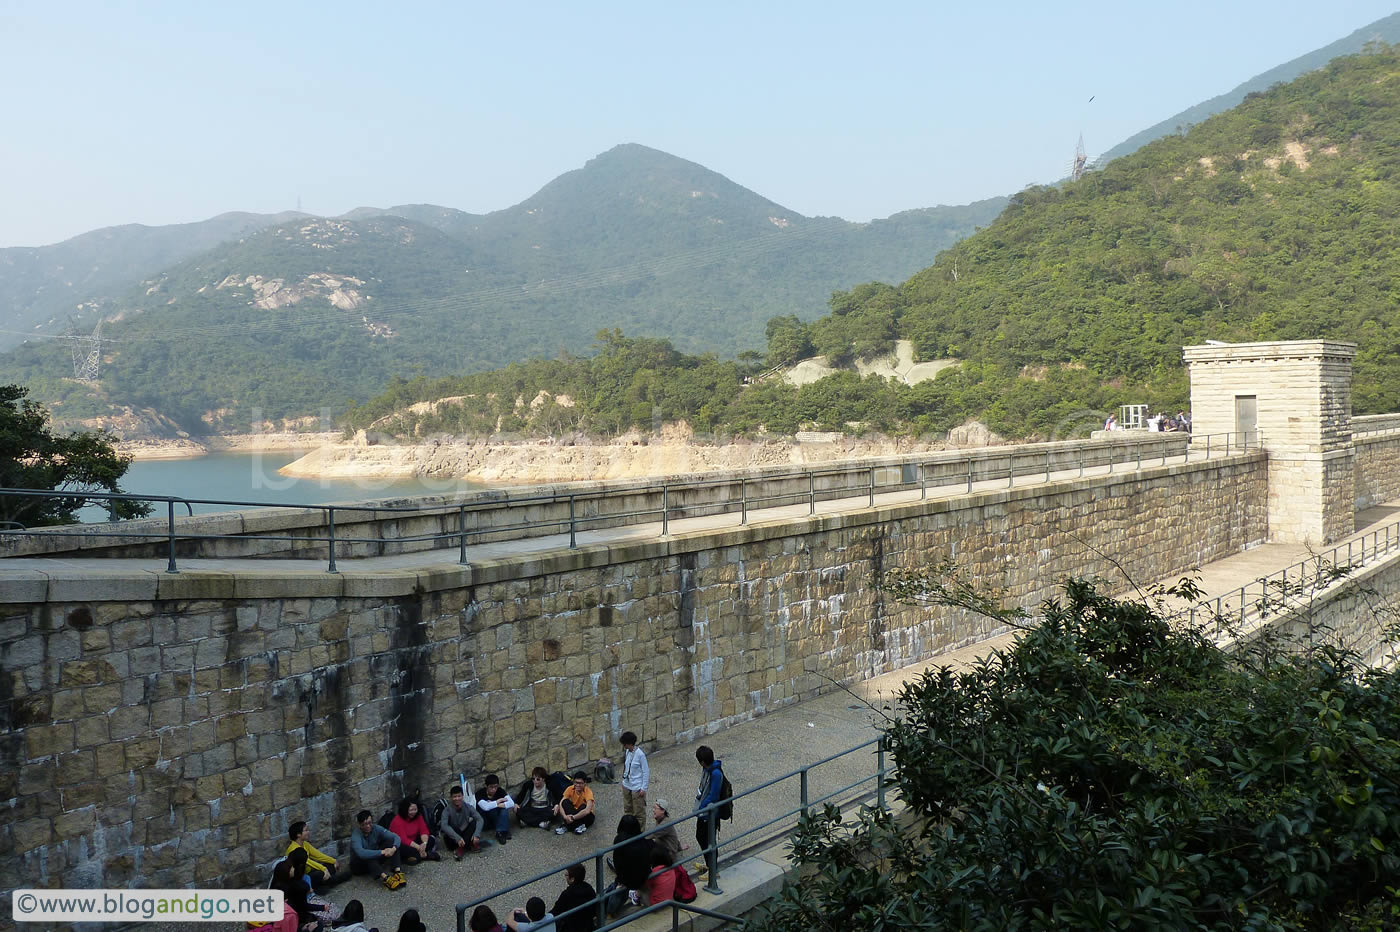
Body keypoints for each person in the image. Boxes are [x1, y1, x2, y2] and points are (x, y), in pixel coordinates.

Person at [607, 815, 654, 915]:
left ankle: (610, 911)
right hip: (643, 875)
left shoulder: (619, 841)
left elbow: (618, 863)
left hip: (627, 879)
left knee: (617, 888)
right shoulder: (642, 839)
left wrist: (620, 880)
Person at [349, 809, 406, 890]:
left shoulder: (376, 828)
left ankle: (397, 872)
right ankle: (385, 878)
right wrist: (382, 852)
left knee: (391, 843)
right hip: (359, 864)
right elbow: (361, 853)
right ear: (360, 824)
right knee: (368, 856)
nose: (368, 826)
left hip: (375, 857)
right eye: (364, 824)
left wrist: (393, 849)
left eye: (369, 823)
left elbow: (395, 837)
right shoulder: (356, 835)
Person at [271, 858, 329, 932]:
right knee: (319, 924)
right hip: (295, 916)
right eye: (291, 868)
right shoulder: (291, 889)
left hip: (294, 914)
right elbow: (303, 906)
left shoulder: (280, 883)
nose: (294, 869)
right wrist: (322, 907)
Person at [694, 745, 725, 879]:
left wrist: (701, 808)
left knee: (709, 840)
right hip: (704, 812)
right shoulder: (707, 769)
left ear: (702, 762)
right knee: (702, 837)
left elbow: (713, 795)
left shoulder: (716, 774)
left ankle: (713, 870)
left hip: (710, 813)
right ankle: (709, 864)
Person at [286, 820, 347, 889]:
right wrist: (324, 869)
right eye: (306, 830)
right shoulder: (293, 849)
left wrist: (333, 861)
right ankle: (330, 882)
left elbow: (318, 855)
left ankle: (326, 883)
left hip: (311, 871)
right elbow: (308, 862)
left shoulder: (305, 844)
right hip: (303, 877)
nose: (308, 832)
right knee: (320, 873)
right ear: (298, 834)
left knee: (330, 865)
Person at [389, 799, 439, 864]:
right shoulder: (397, 820)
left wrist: (424, 844)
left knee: (431, 839)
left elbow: (424, 831)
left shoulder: (418, 816)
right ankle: (426, 855)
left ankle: (415, 857)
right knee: (405, 849)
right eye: (411, 810)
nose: (414, 812)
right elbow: (403, 839)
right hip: (402, 843)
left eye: (415, 809)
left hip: (414, 840)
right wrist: (419, 847)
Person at [441, 784, 485, 859]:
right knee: (450, 829)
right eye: (454, 797)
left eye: (459, 796)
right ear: (451, 798)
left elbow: (480, 819)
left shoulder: (468, 807)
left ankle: (461, 848)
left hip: (464, 832)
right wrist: (457, 838)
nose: (457, 798)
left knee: (474, 822)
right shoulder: (447, 810)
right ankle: (466, 846)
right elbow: (444, 826)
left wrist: (476, 834)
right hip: (453, 837)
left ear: (462, 796)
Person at [551, 863, 598, 932]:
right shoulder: (589, 888)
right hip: (588, 926)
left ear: (572, 879)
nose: (565, 876)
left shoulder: (567, 894)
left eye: (566, 875)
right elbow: (594, 909)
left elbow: (555, 912)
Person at [477, 773, 517, 844]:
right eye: (491, 787)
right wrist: (498, 801)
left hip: (496, 818)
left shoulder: (500, 791)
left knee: (504, 809)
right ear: (486, 786)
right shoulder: (480, 793)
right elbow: (486, 807)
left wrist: (494, 804)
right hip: (486, 820)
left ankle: (500, 831)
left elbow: (511, 803)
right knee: (493, 808)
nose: (494, 789)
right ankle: (503, 830)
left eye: (495, 787)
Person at [619, 732, 649, 821]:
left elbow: (646, 771)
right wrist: (624, 781)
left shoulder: (640, 755)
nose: (624, 746)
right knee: (628, 809)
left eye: (625, 744)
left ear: (630, 743)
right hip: (627, 785)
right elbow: (626, 765)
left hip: (637, 787)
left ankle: (640, 832)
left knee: (639, 812)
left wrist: (644, 788)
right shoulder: (627, 752)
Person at [648, 799, 686, 863]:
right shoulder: (661, 819)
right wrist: (680, 847)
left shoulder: (665, 824)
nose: (653, 810)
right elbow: (674, 837)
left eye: (655, 808)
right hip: (665, 849)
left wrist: (635, 838)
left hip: (668, 855)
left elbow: (649, 835)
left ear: (663, 811)